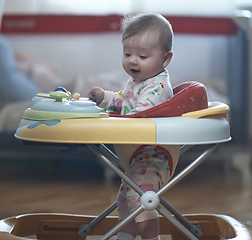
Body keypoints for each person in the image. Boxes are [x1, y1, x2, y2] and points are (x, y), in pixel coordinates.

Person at [87, 13, 175, 240]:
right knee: (125, 199)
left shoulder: (158, 86)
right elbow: (124, 102)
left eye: (142, 55)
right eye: (127, 54)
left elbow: (139, 115)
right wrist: (103, 97)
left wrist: (115, 122)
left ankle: (150, 237)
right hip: (137, 154)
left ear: (165, 59)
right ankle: (124, 236)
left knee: (142, 199)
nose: (133, 60)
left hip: (155, 154)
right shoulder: (137, 82)